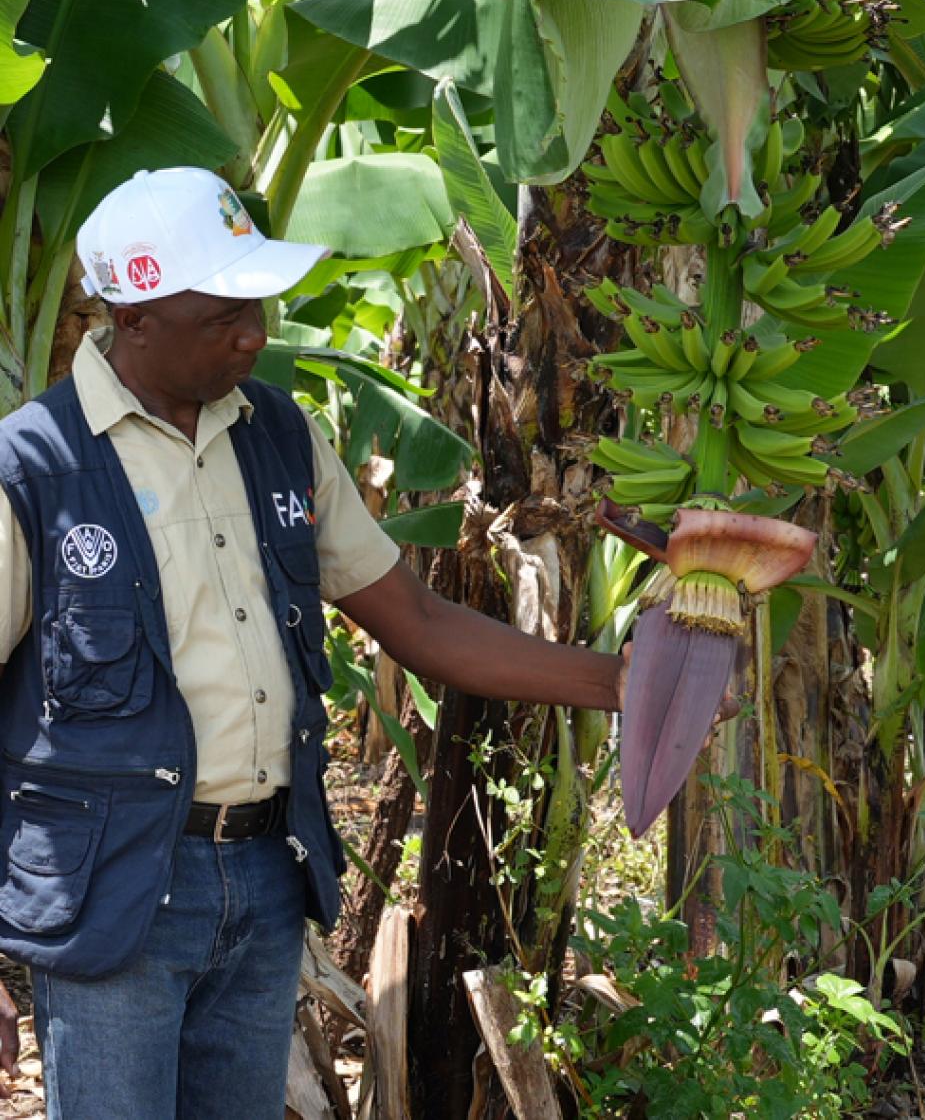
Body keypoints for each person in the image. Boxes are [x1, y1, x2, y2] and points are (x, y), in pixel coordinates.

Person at [0, 167, 657, 1117]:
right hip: (116, 896)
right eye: (221, 312)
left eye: (257, 305)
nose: (255, 335)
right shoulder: (36, 468)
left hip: (268, 878)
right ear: (132, 314)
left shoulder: (281, 437)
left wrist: (621, 682)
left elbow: (421, 624)